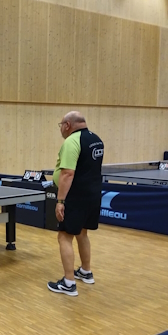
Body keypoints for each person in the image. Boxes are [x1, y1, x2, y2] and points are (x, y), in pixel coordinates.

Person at [47, 111, 104, 296]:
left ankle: (68, 283)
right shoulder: (96, 139)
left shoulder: (72, 141)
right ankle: (86, 271)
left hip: (75, 196)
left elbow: (67, 173)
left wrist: (60, 201)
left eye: (61, 125)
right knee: (82, 233)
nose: (61, 129)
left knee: (64, 236)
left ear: (67, 125)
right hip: (93, 195)